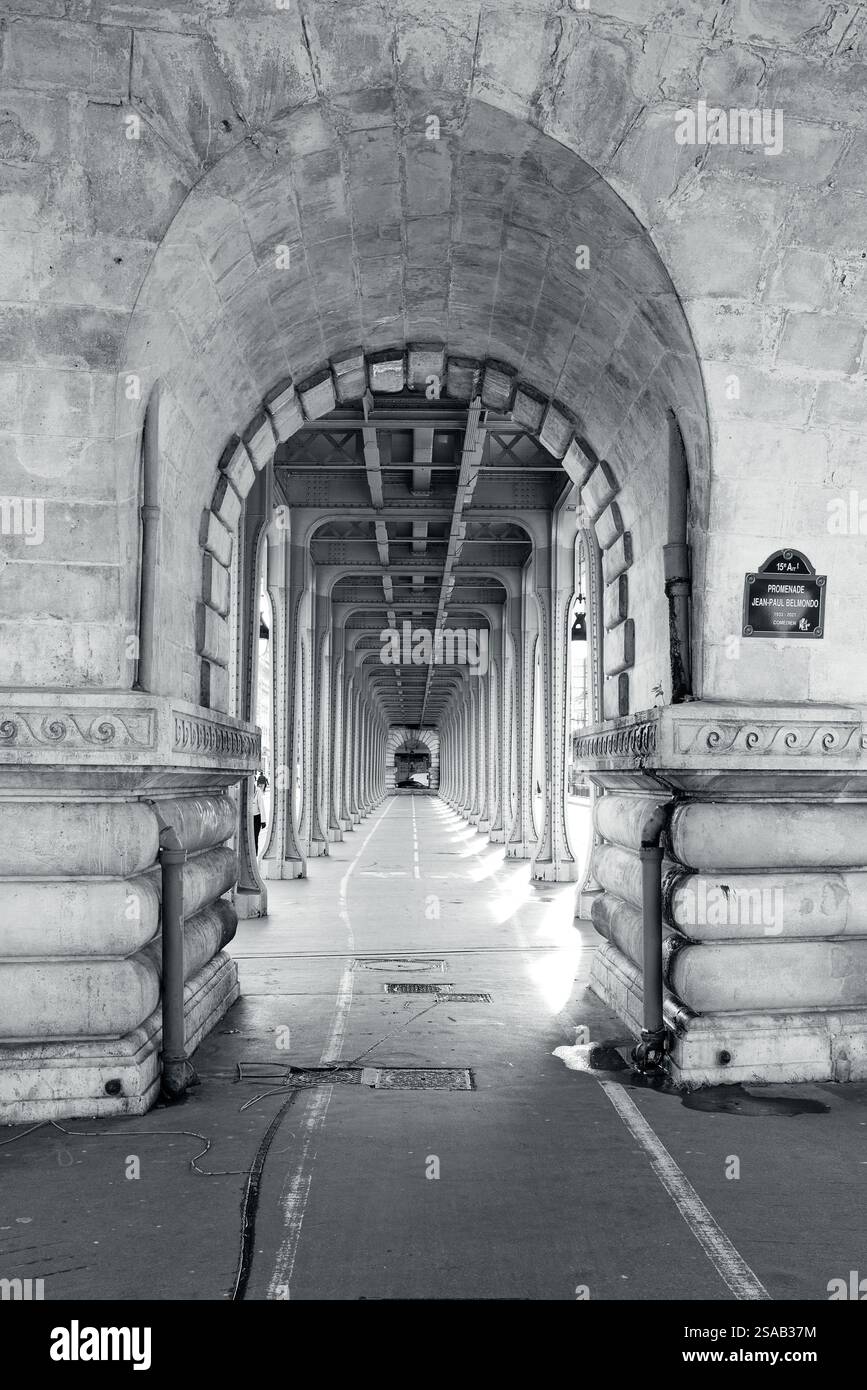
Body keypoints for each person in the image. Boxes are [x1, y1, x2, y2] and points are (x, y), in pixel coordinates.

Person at [253, 773, 268, 853]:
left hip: (256, 818)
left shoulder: (258, 791)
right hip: (248, 817)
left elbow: (261, 807)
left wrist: (263, 821)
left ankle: (255, 854)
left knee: (255, 837)